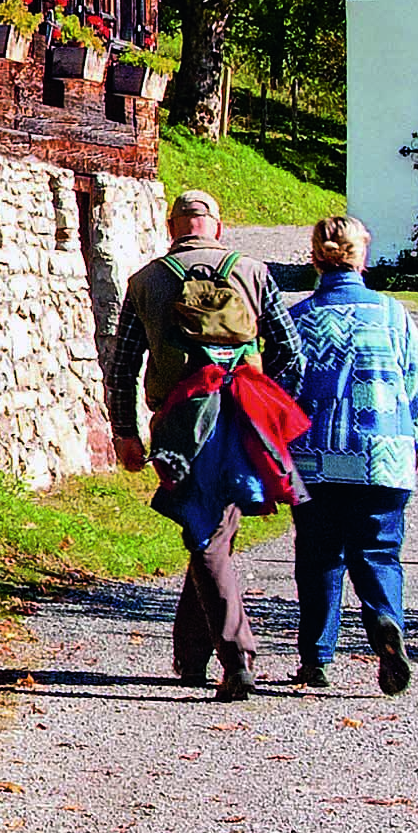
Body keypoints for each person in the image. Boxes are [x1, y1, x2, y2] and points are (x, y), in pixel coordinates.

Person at [108, 190, 296, 694]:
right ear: (217, 226)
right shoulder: (252, 272)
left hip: (179, 424)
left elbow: (122, 366)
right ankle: (196, 658)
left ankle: (233, 656)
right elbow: (291, 351)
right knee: (212, 532)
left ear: (172, 228)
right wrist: (264, 394)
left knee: (207, 534)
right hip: (243, 418)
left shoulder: (145, 281)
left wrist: (124, 432)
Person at [276, 215, 418, 693]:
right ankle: (386, 622)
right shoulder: (392, 315)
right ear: (361, 255)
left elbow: (281, 391)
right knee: (380, 550)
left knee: (318, 555)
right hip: (382, 453)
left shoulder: (298, 319)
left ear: (316, 256)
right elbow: (416, 387)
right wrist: (415, 441)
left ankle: (316, 658)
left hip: (315, 456)